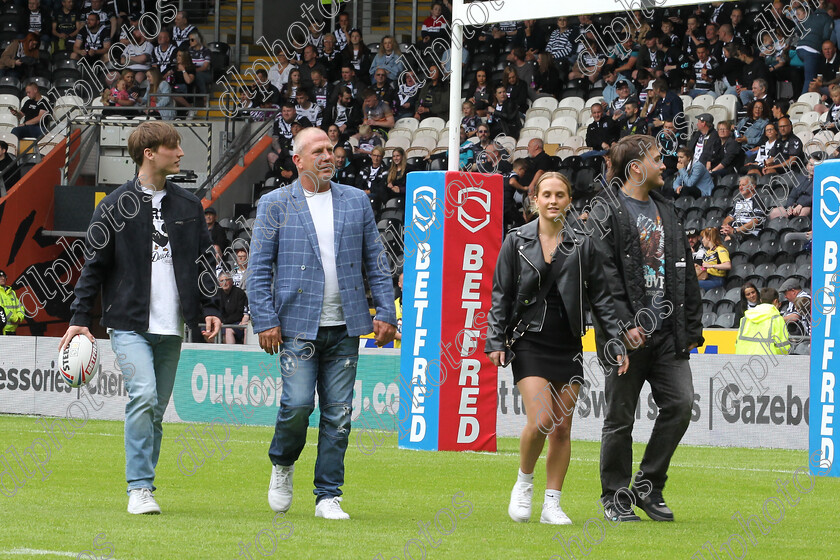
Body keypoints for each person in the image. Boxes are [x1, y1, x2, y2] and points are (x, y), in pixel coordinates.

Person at [60, 121, 222, 514]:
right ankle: (139, 488)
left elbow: (204, 261)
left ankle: (145, 485)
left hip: (173, 325)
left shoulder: (188, 205)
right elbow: (93, 266)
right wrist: (80, 317)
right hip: (128, 323)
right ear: (150, 153)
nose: (181, 153)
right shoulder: (113, 205)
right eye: (174, 147)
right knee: (144, 396)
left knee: (155, 409)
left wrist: (212, 307)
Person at [247, 127, 396, 520]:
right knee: (297, 406)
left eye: (331, 150)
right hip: (296, 325)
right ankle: (282, 463)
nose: (328, 156)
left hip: (346, 325)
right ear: (298, 160)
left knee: (338, 413)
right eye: (318, 151)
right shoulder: (274, 204)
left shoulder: (357, 201)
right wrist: (264, 319)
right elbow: (258, 269)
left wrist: (385, 312)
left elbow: (376, 263)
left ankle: (328, 495)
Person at [485, 172, 628, 525]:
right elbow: (500, 295)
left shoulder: (584, 243)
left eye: (559, 194)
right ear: (535, 200)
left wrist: (615, 343)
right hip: (529, 341)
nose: (552, 200)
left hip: (568, 342)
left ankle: (552, 503)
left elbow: (602, 299)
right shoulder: (515, 240)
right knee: (543, 419)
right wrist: (495, 339)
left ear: (568, 200)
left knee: (562, 428)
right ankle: (524, 482)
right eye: (546, 194)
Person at [592, 134, 703, 523]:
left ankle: (648, 486)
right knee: (620, 419)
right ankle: (615, 497)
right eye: (658, 159)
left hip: (668, 335)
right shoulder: (606, 211)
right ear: (636, 167)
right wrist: (624, 328)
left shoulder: (667, 210)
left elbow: (686, 272)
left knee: (681, 404)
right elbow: (603, 279)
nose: (664, 165)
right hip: (626, 340)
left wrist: (689, 328)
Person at [734, 288, 791, 355]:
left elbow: (737, 342)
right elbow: (782, 347)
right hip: (766, 360)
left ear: (761, 300)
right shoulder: (777, 319)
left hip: (742, 358)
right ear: (776, 301)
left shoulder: (745, 318)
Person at [721, 175, 765, 241]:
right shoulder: (738, 201)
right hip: (734, 231)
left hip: (748, 234)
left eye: (743, 185)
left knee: (728, 239)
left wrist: (735, 231)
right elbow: (730, 217)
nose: (740, 188)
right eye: (739, 185)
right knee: (711, 235)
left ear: (752, 187)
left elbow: (756, 221)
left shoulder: (757, 200)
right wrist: (725, 226)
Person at [218, 271, 249, 344]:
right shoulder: (217, 294)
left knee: (229, 330)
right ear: (219, 283)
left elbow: (239, 314)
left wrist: (225, 322)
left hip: (237, 323)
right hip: (222, 323)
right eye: (222, 281)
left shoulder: (240, 293)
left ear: (232, 281)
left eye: (227, 280)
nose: (225, 283)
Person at [0, 270, 24, 335]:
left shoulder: (12, 292)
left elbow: (20, 306)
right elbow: (1, 310)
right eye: (0, 277)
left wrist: (20, 317)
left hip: (12, 330)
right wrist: (15, 318)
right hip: (2, 330)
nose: (2, 278)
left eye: (4, 276)